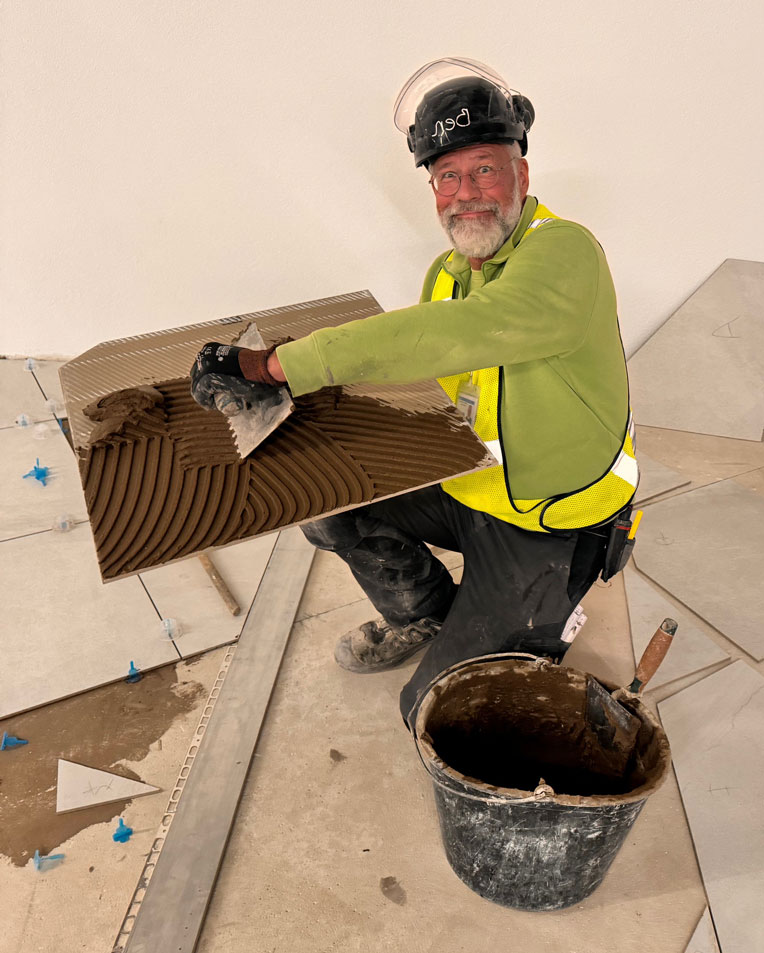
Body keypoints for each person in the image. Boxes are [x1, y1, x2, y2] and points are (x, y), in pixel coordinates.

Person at [190, 57, 639, 725]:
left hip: (550, 522)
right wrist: (324, 416)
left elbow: (459, 333)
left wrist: (282, 365)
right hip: (471, 483)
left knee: (433, 712)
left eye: (484, 169)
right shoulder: (448, 271)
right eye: (446, 176)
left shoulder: (565, 251)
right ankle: (426, 613)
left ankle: (534, 622)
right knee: (326, 500)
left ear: (521, 173)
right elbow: (427, 370)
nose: (466, 193)